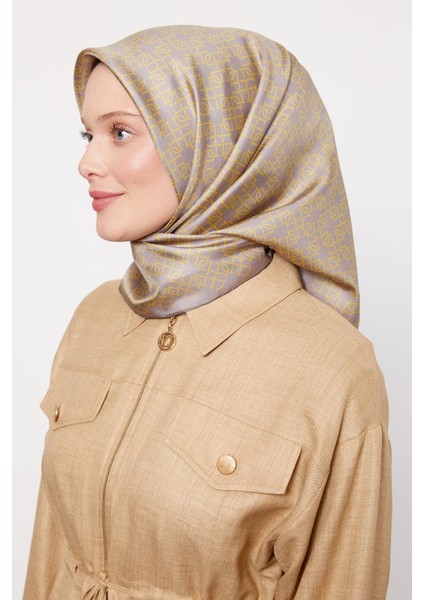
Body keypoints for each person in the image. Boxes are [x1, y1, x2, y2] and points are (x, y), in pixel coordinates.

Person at [23, 25, 391, 600]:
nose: (87, 162)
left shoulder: (332, 367)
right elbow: (52, 555)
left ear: (218, 142)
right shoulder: (94, 318)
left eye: (120, 132)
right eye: (88, 134)